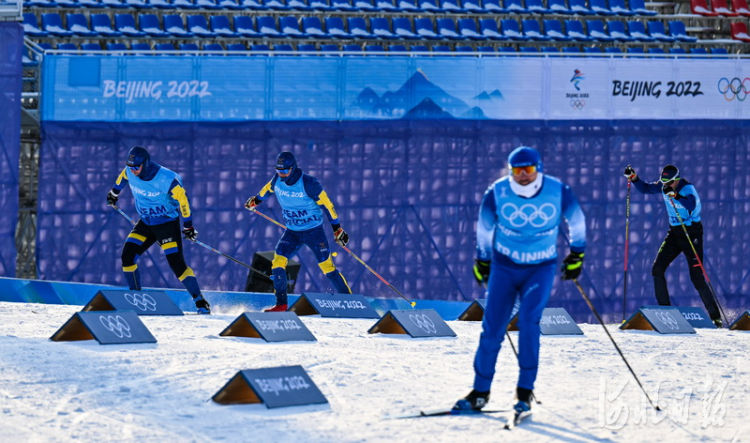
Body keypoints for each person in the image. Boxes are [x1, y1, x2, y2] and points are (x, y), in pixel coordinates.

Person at [455, 146, 586, 419]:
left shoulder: (557, 190)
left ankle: (524, 392)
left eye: (529, 169)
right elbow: (484, 227)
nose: (524, 176)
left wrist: (577, 253)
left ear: (538, 168)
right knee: (492, 328)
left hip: (540, 268)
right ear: (510, 170)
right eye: (517, 170)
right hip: (505, 266)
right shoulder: (497, 192)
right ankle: (480, 392)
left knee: (528, 323)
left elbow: (577, 219)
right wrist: (483, 259)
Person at [106, 146, 211, 315]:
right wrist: (114, 193)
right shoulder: (129, 170)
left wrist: (188, 226)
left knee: (176, 265)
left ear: (145, 164)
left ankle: (200, 301)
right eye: (130, 167)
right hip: (146, 223)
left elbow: (183, 201)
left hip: (166, 225)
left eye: (136, 167)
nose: (132, 171)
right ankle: (136, 298)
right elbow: (122, 177)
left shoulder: (166, 179)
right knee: (127, 255)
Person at [244, 151, 352, 312]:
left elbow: (327, 205)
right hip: (292, 232)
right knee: (278, 261)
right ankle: (281, 304)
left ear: (293, 168)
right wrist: (256, 200)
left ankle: (351, 302)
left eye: (285, 171)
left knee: (326, 267)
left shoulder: (309, 183)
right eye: (278, 171)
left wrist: (337, 229)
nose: (281, 175)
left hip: (314, 232)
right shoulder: (277, 180)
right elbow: (267, 189)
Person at [623, 164, 722, 327]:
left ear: (676, 180)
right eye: (664, 182)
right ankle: (666, 314)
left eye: (669, 183)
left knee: (696, 277)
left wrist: (676, 196)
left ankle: (715, 317)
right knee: (657, 269)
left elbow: (691, 206)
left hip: (691, 233)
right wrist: (634, 178)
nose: (665, 185)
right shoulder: (664, 186)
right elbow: (646, 188)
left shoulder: (688, 189)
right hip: (675, 233)